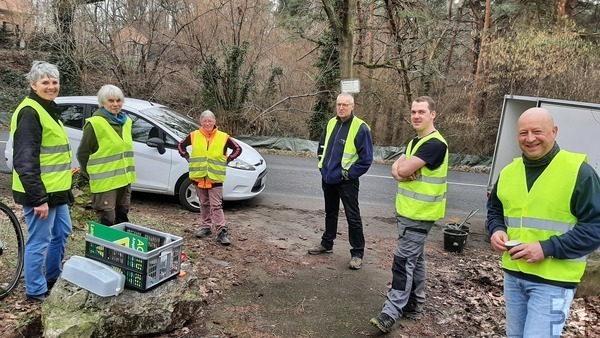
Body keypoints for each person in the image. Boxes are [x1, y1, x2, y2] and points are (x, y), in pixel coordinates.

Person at [486, 107, 600, 337]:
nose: (530, 139)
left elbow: (595, 227)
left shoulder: (580, 172)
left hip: (553, 281)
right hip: (514, 276)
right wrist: (496, 229)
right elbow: (495, 210)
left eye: (537, 131)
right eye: (523, 133)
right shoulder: (508, 172)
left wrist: (546, 248)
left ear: (554, 132)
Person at [370, 96, 448, 333]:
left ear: (432, 114)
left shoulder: (434, 144)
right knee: (417, 259)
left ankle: (390, 312)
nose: (416, 116)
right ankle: (415, 305)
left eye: (422, 112)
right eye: (413, 111)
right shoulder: (415, 141)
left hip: (419, 215)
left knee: (403, 261)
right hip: (408, 213)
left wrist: (400, 170)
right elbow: (396, 169)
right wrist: (400, 171)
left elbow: (401, 168)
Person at [10, 61, 73, 302]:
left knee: (62, 232)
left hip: (57, 190)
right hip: (40, 194)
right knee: (39, 241)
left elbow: (50, 154)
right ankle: (35, 290)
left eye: (54, 82)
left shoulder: (47, 108)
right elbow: (25, 160)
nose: (51, 86)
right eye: (45, 82)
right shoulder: (30, 111)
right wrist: (38, 199)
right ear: (33, 84)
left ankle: (53, 277)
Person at [307, 93, 373, 270]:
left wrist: (347, 174)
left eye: (345, 105)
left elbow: (366, 159)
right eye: (339, 104)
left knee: (353, 217)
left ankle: (357, 253)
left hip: (346, 182)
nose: (341, 108)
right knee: (330, 212)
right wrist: (322, 167)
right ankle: (327, 244)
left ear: (353, 106)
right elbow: (322, 147)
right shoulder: (331, 123)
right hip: (328, 178)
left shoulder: (361, 128)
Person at [178, 110, 241, 246]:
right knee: (204, 203)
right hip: (199, 176)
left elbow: (237, 149)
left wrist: (228, 159)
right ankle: (206, 227)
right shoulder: (194, 135)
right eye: (205, 121)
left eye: (210, 121)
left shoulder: (223, 137)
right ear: (201, 122)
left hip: (215, 177)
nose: (207, 123)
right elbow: (180, 146)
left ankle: (221, 231)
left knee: (216, 205)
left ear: (214, 122)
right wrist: (187, 157)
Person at [77, 84, 136, 226]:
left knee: (122, 217)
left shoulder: (126, 122)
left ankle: (120, 247)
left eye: (118, 100)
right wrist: (90, 174)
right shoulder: (95, 124)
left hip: (124, 181)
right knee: (107, 220)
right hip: (105, 185)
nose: (115, 104)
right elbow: (82, 153)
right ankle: (104, 248)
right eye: (110, 101)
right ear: (102, 103)